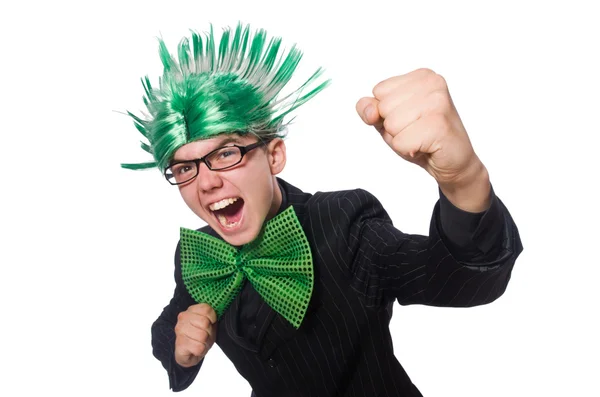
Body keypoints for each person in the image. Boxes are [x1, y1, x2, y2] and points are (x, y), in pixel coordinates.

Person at [122, 22, 523, 397]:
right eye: (185, 168)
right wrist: (179, 348)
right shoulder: (199, 254)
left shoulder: (344, 222)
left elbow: (455, 280)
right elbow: (171, 322)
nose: (206, 181)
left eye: (226, 153)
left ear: (274, 155)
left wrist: (465, 180)